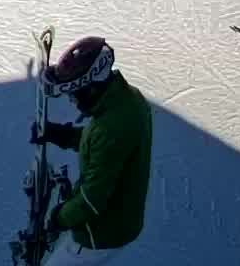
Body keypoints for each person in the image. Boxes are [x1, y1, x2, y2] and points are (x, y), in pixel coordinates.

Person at [33, 37, 151, 255]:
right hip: (121, 220)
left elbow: (92, 199)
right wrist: (63, 135)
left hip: (99, 233)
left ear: (91, 89)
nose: (72, 101)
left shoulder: (110, 126)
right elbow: (105, 148)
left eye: (73, 93)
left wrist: (58, 218)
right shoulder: (126, 100)